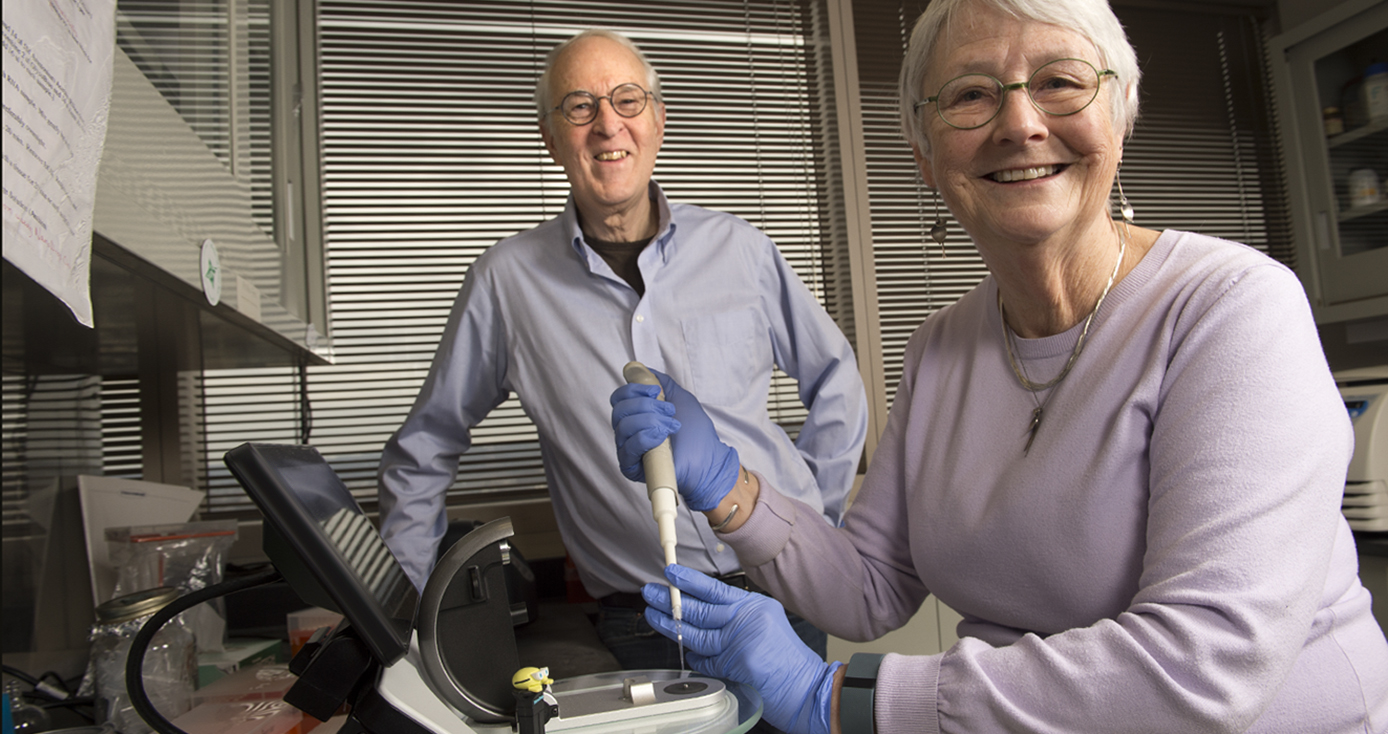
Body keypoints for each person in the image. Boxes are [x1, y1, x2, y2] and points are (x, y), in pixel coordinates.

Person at [609, 0, 1388, 731]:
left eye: (1059, 82)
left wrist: (840, 699)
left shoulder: (1231, 309)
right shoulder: (942, 347)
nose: (1020, 123)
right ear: (924, 152)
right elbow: (873, 587)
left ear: (1119, 115)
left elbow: (1211, 660)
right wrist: (729, 487)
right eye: (972, 94)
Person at [376, 28, 868, 672]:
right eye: (579, 107)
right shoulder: (505, 282)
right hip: (646, 621)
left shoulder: (740, 249)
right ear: (551, 138)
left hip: (786, 593)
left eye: (627, 100)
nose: (608, 125)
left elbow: (836, 378)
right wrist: (397, 620)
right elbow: (423, 448)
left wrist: (806, 524)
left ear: (657, 121)